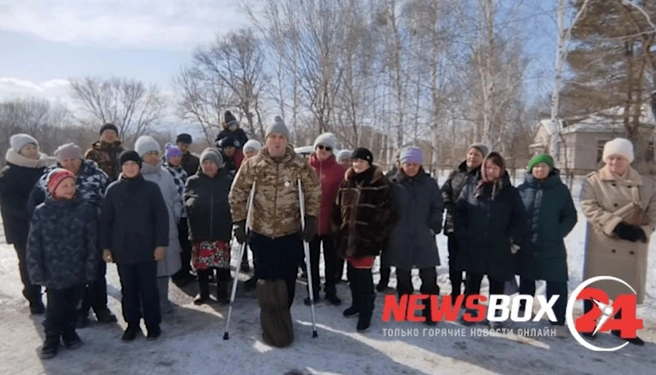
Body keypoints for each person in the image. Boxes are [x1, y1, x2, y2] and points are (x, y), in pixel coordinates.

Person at [229, 115, 321, 309]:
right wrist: (239, 221)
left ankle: (284, 313)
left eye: (281, 137)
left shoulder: (299, 165)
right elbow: (237, 192)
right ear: (267, 139)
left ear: (287, 141)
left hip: (290, 232)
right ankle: (269, 315)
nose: (277, 141)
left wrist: (311, 218)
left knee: (288, 276)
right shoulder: (253, 164)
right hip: (261, 231)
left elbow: (313, 191)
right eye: (273, 136)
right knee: (265, 278)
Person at [28, 142, 116, 327]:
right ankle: (79, 312)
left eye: (73, 159)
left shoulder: (97, 175)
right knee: (73, 277)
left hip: (93, 233)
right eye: (65, 160)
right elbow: (34, 204)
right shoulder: (48, 178)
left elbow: (111, 202)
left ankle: (101, 308)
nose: (69, 163)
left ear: (80, 158)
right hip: (62, 238)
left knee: (96, 272)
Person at [579, 138, 656, 346]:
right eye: (610, 158)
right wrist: (616, 225)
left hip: (633, 243)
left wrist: (643, 231)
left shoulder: (647, 184)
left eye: (619, 158)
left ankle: (624, 328)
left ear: (628, 159)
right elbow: (589, 207)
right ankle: (590, 322)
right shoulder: (593, 181)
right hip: (604, 239)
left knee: (626, 286)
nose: (614, 163)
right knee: (598, 284)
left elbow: (654, 212)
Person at [27, 168, 99, 359]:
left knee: (73, 304)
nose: (69, 189)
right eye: (64, 185)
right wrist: (36, 271)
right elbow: (34, 244)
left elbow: (92, 241)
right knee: (55, 308)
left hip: (78, 268)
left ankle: (69, 331)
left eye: (72, 185)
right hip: (53, 271)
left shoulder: (85, 209)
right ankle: (51, 337)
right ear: (52, 188)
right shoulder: (42, 211)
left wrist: (91, 267)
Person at [455, 151, 528, 328]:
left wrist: (513, 240)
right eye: (487, 167)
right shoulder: (472, 187)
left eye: (494, 168)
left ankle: (496, 314)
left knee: (497, 282)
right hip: (475, 244)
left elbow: (520, 218)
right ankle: (472, 312)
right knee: (473, 281)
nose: (490, 171)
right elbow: (460, 211)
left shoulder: (510, 192)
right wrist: (463, 233)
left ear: (501, 169)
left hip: (499, 245)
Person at [101, 150, 169, 341]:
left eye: (133, 164)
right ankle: (132, 324)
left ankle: (153, 324)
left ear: (139, 166)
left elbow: (161, 219)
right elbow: (106, 221)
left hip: (147, 249)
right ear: (121, 168)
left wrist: (160, 244)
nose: (130, 168)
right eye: (126, 165)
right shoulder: (113, 190)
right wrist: (106, 247)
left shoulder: (151, 189)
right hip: (122, 249)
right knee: (128, 289)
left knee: (149, 289)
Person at [334, 148, 396, 333]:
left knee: (364, 278)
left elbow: (387, 213)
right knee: (352, 275)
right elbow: (337, 208)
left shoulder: (379, 183)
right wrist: (337, 229)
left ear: (369, 162)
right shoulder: (346, 182)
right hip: (348, 238)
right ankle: (356, 304)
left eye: (361, 161)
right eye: (355, 161)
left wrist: (376, 237)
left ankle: (366, 311)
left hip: (366, 240)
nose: (357, 164)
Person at [516, 154, 577, 337]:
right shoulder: (522, 189)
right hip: (527, 242)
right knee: (526, 278)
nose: (539, 170)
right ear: (530, 169)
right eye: (536, 167)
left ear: (550, 169)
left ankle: (557, 320)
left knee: (556, 281)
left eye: (543, 166)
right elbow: (515, 215)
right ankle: (524, 309)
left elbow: (570, 217)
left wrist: (558, 232)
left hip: (552, 244)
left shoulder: (561, 191)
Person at [388, 147, 443, 325]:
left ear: (420, 165)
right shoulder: (393, 183)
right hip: (400, 234)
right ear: (401, 164)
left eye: (414, 164)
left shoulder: (429, 183)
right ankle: (405, 306)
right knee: (403, 275)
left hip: (423, 235)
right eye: (407, 164)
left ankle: (430, 311)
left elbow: (437, 206)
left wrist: (433, 226)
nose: (411, 167)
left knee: (429, 275)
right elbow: (386, 206)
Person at [0, 134, 55, 314]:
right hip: (22, 227)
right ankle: (34, 298)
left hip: (48, 226)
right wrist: (34, 214)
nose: (32, 151)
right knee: (28, 262)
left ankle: (55, 296)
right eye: (27, 148)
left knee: (50, 261)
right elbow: (8, 204)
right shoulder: (8, 174)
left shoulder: (45, 168)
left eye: (34, 147)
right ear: (18, 151)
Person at [135, 136, 183, 314]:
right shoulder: (136, 176)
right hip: (144, 230)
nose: (154, 156)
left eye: (156, 153)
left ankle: (163, 298)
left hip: (167, 227)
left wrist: (176, 212)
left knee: (165, 266)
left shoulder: (166, 174)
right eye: (149, 153)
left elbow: (176, 197)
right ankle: (148, 299)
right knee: (147, 267)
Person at [185, 148, 233, 305]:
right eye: (205, 162)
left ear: (218, 164)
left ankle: (222, 293)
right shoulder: (193, 181)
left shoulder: (227, 180)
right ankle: (203, 292)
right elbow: (185, 200)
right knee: (202, 265)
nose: (208, 166)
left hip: (221, 229)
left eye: (211, 162)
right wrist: (192, 205)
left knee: (222, 265)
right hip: (200, 230)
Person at [441, 143, 487, 304]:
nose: (472, 157)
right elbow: (445, 189)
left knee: (472, 262)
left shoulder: (484, 175)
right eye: (471, 153)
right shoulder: (456, 172)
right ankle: (454, 293)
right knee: (454, 260)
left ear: (483, 159)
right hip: (453, 223)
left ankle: (470, 295)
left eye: (477, 155)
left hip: (473, 226)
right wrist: (448, 203)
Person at [305, 133, 345, 306]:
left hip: (330, 222)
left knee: (331, 259)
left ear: (332, 151)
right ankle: (312, 290)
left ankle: (330, 289)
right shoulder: (305, 167)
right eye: (320, 147)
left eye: (327, 148)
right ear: (315, 148)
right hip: (311, 222)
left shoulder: (339, 170)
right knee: (311, 259)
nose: (323, 151)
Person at [164, 143, 195, 286]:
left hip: (185, 213)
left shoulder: (182, 172)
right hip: (173, 213)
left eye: (178, 156)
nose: (176, 159)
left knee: (186, 244)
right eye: (173, 156)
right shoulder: (165, 173)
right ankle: (177, 274)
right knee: (176, 246)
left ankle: (186, 269)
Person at [240, 139, 262, 289]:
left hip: (261, 212)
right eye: (247, 152)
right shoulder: (243, 168)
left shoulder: (262, 166)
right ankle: (255, 272)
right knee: (251, 243)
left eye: (252, 151)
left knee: (259, 246)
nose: (250, 154)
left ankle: (260, 272)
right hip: (247, 211)